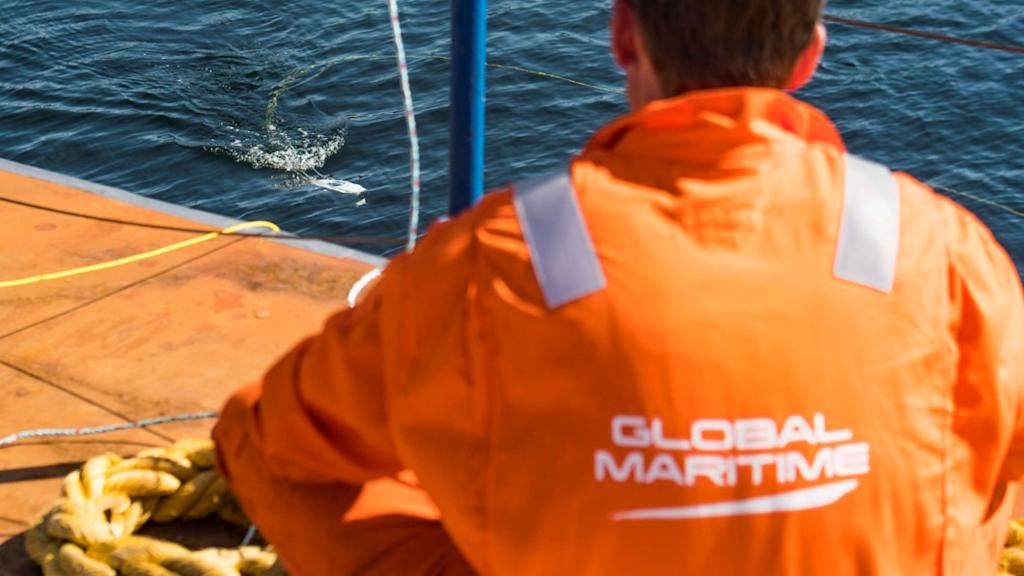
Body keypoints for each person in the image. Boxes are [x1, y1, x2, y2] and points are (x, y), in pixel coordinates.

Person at [213, 0, 1024, 574]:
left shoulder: (494, 259)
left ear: (624, 35)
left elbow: (273, 437)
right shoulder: (943, 248)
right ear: (810, 56)